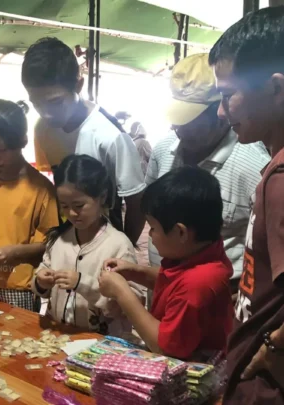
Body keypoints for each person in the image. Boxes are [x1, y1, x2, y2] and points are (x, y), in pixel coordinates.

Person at [209, 7, 284, 403]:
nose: (221, 112)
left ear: (275, 88)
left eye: (227, 96)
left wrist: (269, 351)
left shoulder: (280, 180)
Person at [146, 53, 269, 291]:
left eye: (188, 120)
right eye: (176, 118)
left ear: (220, 111)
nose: (176, 127)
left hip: (217, 297)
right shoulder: (163, 150)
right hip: (162, 284)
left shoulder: (253, 168)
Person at [99, 167, 233, 360]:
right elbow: (175, 282)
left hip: (192, 373)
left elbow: (165, 348)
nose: (150, 235)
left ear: (181, 233)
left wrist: (122, 293)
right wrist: (136, 272)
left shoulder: (199, 283)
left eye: (153, 228)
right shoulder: (206, 251)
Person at [22, 37, 146, 244]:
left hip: (105, 246)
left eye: (55, 102)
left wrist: (125, 251)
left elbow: (136, 202)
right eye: (36, 104)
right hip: (68, 242)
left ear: (78, 85)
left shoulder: (110, 135)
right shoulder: (42, 128)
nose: (46, 114)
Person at [0, 99, 59, 311]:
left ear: (23, 141)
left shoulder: (41, 189)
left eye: (3, 149)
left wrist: (16, 252)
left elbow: (50, 245)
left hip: (17, 287)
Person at [32, 154, 141, 334]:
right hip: (61, 337)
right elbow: (42, 275)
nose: (72, 213)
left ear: (102, 197)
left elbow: (127, 306)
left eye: (79, 205)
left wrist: (83, 283)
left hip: (102, 346)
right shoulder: (59, 239)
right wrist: (41, 280)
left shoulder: (118, 245)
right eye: (65, 206)